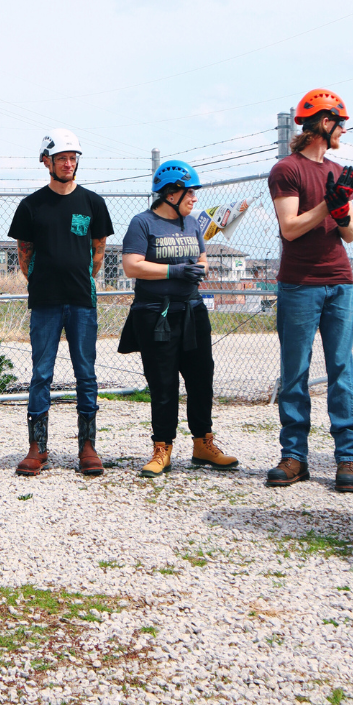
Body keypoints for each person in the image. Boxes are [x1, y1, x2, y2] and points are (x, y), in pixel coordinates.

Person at [267, 89, 353, 492]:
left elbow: (352, 234)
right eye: (340, 123)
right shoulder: (286, 170)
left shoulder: (339, 171)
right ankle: (294, 457)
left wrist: (340, 209)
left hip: (339, 282)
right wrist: (329, 203)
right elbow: (289, 228)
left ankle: (348, 459)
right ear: (325, 123)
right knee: (295, 373)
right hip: (300, 284)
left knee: (342, 371)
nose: (343, 131)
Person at [118, 159, 236, 475]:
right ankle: (162, 449)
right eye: (189, 193)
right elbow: (132, 265)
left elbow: (201, 256)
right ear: (171, 193)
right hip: (156, 314)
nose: (194, 199)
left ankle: (203, 444)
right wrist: (174, 270)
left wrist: (199, 268)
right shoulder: (142, 223)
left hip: (193, 311)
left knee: (201, 379)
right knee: (163, 382)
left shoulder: (193, 223)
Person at [8, 130, 114, 476]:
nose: (68, 164)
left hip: (82, 301)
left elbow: (98, 252)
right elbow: (25, 255)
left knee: (86, 373)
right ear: (46, 161)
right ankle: (37, 446)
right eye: (62, 158)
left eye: (73, 158)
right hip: (45, 302)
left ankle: (88, 445)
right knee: (41, 373)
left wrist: (81, 280)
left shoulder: (92, 203)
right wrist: (41, 282)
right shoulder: (31, 206)